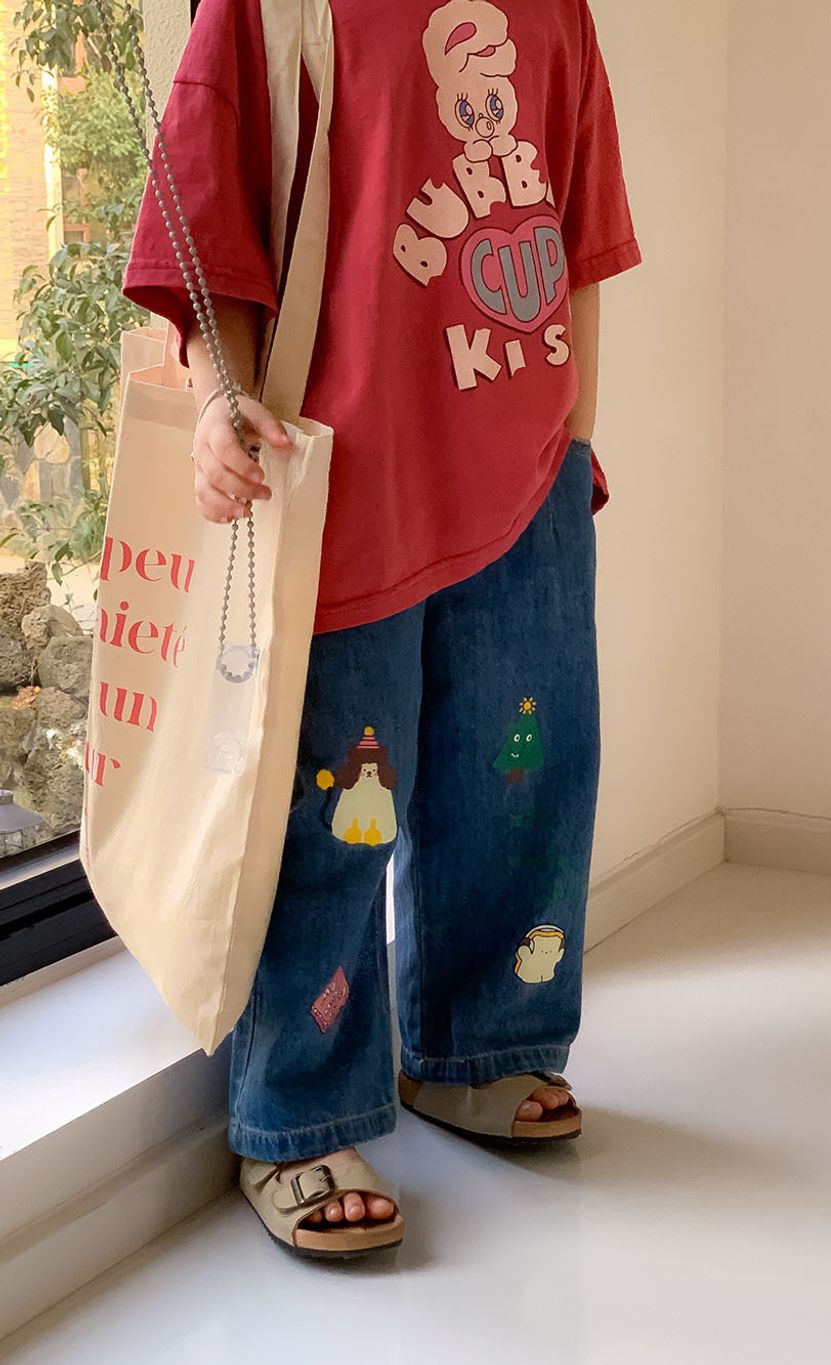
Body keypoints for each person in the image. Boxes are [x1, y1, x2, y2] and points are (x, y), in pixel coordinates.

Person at [122, 0, 641, 1259]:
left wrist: (575, 441)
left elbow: (579, 233)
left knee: (522, 776)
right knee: (333, 806)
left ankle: (480, 1045)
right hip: (340, 480)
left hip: (525, 472)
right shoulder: (266, 7)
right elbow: (206, 218)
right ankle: (297, 1112)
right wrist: (219, 402)